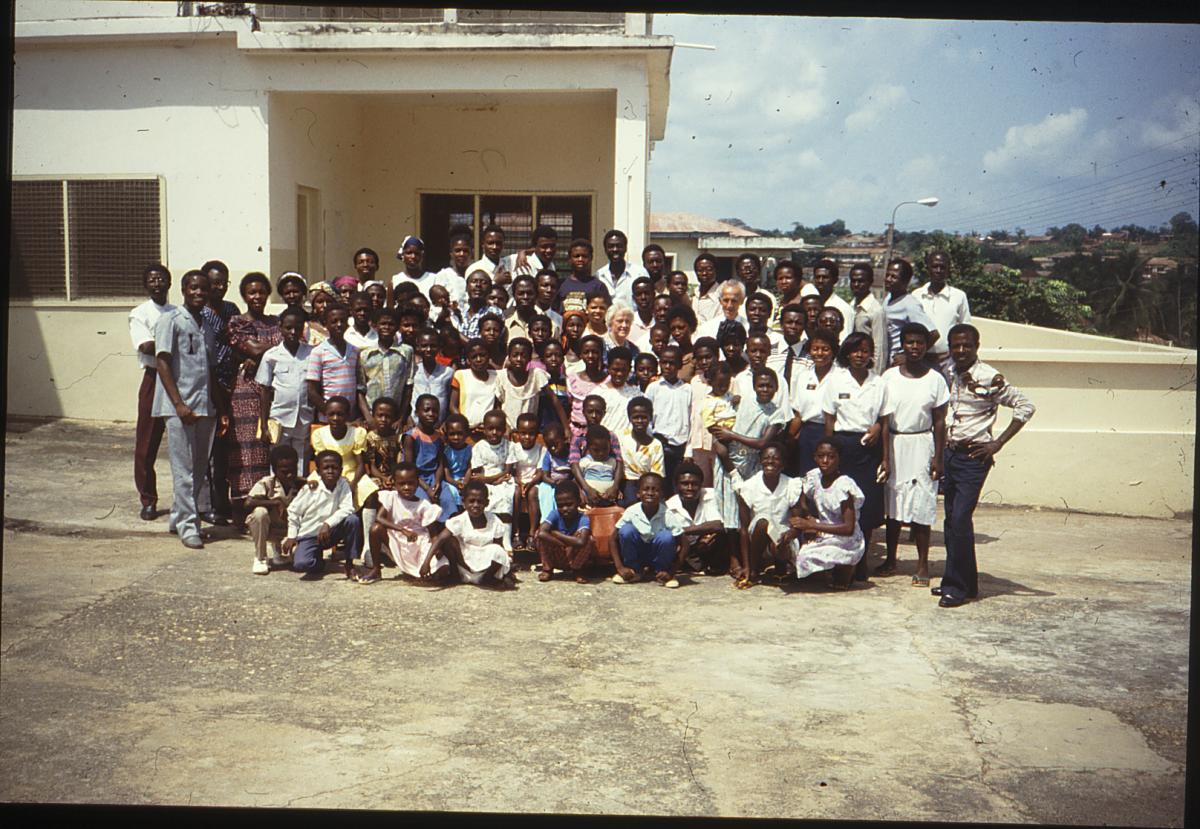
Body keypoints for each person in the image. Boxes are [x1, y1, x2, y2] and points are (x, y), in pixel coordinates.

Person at [933, 323, 1035, 608]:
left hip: (974, 458)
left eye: (966, 345)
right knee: (952, 520)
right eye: (955, 345)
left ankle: (958, 587)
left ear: (977, 346)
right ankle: (962, 582)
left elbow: (1025, 406)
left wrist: (997, 443)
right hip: (952, 454)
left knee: (959, 520)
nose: (961, 350)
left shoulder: (989, 376)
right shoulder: (950, 372)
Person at [154, 269, 227, 548]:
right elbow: (162, 362)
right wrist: (179, 404)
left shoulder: (207, 325)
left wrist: (220, 409)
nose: (199, 293)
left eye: (204, 289)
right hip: (180, 408)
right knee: (183, 469)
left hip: (204, 406)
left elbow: (210, 368)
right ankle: (189, 525)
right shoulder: (170, 320)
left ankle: (178, 516)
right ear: (184, 290)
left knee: (198, 468)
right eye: (193, 288)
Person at [879, 323, 948, 586]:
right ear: (903, 345)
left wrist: (938, 457)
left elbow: (940, 421)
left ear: (926, 345)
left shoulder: (935, 379)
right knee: (893, 504)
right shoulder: (889, 377)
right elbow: (884, 420)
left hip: (922, 443)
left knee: (921, 505)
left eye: (919, 343)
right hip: (895, 443)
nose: (915, 347)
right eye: (910, 342)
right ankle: (891, 559)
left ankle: (921, 565)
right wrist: (885, 457)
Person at [822, 331, 887, 581]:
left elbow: (884, 420)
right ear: (847, 353)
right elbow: (829, 420)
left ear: (871, 353)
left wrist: (885, 457)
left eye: (865, 350)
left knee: (867, 507)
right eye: (855, 350)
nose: (860, 355)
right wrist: (829, 454)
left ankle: (861, 561)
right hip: (843, 446)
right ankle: (840, 561)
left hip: (868, 449)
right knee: (842, 504)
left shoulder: (878, 382)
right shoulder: (836, 381)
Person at [222, 272, 280, 529]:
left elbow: (258, 350)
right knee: (244, 450)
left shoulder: (276, 322)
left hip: (272, 391)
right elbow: (252, 349)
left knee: (267, 446)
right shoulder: (237, 322)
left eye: (261, 292)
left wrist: (260, 352)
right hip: (245, 392)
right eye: (251, 292)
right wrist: (279, 346)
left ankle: (265, 507)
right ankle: (239, 509)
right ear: (244, 296)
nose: (257, 297)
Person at [710, 367, 789, 535]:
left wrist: (732, 435)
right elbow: (721, 422)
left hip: (752, 465)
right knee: (728, 509)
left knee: (746, 510)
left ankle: (749, 554)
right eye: (761, 385)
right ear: (754, 387)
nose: (765, 389)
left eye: (769, 386)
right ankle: (732, 557)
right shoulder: (741, 402)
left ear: (776, 388)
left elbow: (762, 443)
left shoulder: (777, 414)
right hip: (728, 460)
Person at [130, 263, 175, 520]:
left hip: (179, 379)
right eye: (152, 280)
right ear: (145, 285)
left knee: (183, 444)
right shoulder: (140, 313)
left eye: (161, 279)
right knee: (146, 446)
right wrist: (173, 343)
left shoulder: (177, 312)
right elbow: (146, 346)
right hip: (154, 378)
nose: (157, 283)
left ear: (169, 283)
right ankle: (148, 500)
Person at [792, 438, 866, 589]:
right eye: (821, 456)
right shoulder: (815, 477)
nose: (825, 461)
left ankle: (846, 567)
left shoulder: (843, 485)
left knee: (834, 580)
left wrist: (813, 525)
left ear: (839, 459)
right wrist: (808, 516)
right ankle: (831, 570)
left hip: (845, 538)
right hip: (824, 531)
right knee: (801, 558)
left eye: (831, 457)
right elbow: (800, 494)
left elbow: (848, 528)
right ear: (815, 457)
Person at [361, 462, 446, 584]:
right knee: (375, 529)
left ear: (417, 483)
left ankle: (419, 571)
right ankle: (376, 569)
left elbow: (433, 534)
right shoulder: (391, 497)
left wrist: (436, 551)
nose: (406, 487)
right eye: (402, 484)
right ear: (394, 484)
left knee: (442, 569)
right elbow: (379, 518)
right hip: (397, 541)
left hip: (418, 544)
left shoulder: (424, 505)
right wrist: (401, 530)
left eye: (410, 483)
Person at [283, 449, 362, 580]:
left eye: (334, 468)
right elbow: (293, 511)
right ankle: (318, 561)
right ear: (318, 471)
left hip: (331, 533)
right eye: (326, 468)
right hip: (310, 534)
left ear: (341, 470)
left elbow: (347, 508)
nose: (330, 471)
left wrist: (327, 524)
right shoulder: (311, 488)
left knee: (352, 520)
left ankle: (349, 564)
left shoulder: (343, 485)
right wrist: (291, 536)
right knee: (301, 564)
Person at [201, 260, 240, 526]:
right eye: (214, 282)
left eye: (223, 282)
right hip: (207, 386)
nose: (219, 287)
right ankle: (207, 505)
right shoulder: (199, 312)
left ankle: (223, 500)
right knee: (207, 448)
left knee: (225, 449)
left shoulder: (231, 309)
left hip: (232, 386)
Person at [735, 442, 806, 587]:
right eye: (766, 458)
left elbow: (798, 522)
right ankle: (754, 569)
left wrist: (791, 534)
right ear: (760, 461)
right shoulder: (748, 487)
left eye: (776, 459)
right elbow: (743, 529)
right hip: (757, 537)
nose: (770, 462)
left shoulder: (792, 485)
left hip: (782, 538)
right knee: (763, 522)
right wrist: (746, 566)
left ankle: (781, 566)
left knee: (780, 543)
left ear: (783, 464)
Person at [256, 306, 314, 468]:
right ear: (280, 328)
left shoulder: (312, 353)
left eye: (297, 328)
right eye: (288, 328)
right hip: (279, 417)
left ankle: (299, 492)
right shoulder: (271, 356)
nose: (293, 332)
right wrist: (264, 424)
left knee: (301, 460)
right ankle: (279, 493)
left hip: (304, 417)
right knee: (279, 461)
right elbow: (265, 391)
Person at [432, 480, 516, 588]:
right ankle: (455, 575)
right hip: (463, 564)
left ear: (486, 503)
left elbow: (499, 547)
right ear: (464, 502)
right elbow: (440, 539)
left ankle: (487, 578)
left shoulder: (494, 521)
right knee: (449, 540)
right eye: (471, 501)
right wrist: (426, 563)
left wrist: (505, 568)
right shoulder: (460, 520)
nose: (475, 505)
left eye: (480, 502)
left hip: (484, 565)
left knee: (498, 551)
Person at [610, 473, 683, 588]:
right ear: (638, 493)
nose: (650, 493)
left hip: (657, 553)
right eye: (646, 489)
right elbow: (612, 540)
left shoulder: (667, 514)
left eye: (655, 490)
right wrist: (620, 567)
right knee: (626, 530)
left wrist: (672, 571)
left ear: (662, 494)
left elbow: (685, 544)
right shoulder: (632, 511)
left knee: (666, 536)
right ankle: (633, 571)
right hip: (638, 552)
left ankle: (663, 574)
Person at [787, 328, 840, 476]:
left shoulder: (841, 376)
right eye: (815, 349)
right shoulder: (803, 377)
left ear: (833, 351)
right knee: (808, 477)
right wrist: (789, 438)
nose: (820, 353)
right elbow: (798, 413)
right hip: (808, 434)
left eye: (825, 349)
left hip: (833, 432)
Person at [244, 444, 303, 575]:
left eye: (293, 470)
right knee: (260, 512)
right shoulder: (267, 483)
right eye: (284, 471)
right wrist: (274, 502)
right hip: (270, 528)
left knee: (301, 562)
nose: (289, 475)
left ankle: (280, 551)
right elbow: (248, 502)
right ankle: (260, 558)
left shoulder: (301, 483)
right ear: (275, 470)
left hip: (291, 531)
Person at [913, 250, 972, 376]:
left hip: (948, 361)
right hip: (921, 361)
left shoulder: (958, 296)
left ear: (948, 270)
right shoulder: (916, 295)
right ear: (928, 268)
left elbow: (966, 329)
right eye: (935, 266)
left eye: (942, 267)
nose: (938, 270)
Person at [356, 305, 414, 428]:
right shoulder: (365, 355)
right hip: (373, 416)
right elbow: (360, 390)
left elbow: (408, 388)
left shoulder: (406, 352)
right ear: (375, 326)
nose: (386, 327)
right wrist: (369, 418)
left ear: (397, 327)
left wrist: (401, 418)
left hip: (395, 418)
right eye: (383, 324)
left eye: (391, 324)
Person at [666, 461, 727, 575]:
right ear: (676, 486)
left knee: (723, 535)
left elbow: (718, 525)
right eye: (685, 483)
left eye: (695, 484)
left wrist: (684, 530)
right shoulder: (670, 506)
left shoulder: (711, 495)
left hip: (708, 544)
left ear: (701, 484)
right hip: (687, 547)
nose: (690, 488)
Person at [645, 346, 692, 490]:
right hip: (660, 445)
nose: (667, 366)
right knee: (660, 486)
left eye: (672, 363)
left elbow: (691, 421)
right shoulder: (653, 388)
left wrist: (688, 451)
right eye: (664, 362)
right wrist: (651, 442)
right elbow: (647, 418)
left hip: (680, 447)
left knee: (677, 488)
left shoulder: (687, 389)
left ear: (679, 365)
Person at [468, 409, 517, 548]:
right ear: (484, 429)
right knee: (483, 498)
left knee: (505, 497)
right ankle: (487, 540)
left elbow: (507, 471)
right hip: (486, 482)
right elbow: (477, 476)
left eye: (498, 429)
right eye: (490, 429)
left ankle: (506, 542)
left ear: (503, 430)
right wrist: (491, 481)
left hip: (504, 481)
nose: (494, 433)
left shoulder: (509, 446)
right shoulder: (479, 447)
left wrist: (493, 480)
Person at [305, 302, 358, 426]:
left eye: (342, 321)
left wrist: (349, 416)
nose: (339, 325)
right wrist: (330, 414)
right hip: (328, 419)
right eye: (334, 321)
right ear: (326, 324)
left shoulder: (354, 351)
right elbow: (312, 391)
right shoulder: (318, 352)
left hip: (350, 418)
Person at [533, 480, 594, 583]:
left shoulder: (583, 518)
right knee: (538, 534)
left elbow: (581, 542)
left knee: (590, 539)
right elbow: (542, 533)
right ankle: (548, 569)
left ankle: (577, 570)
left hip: (573, 556)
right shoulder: (555, 514)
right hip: (557, 554)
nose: (565, 509)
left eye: (569, 504)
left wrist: (556, 534)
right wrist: (564, 544)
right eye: (560, 505)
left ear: (578, 501)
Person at [883, 258, 939, 368]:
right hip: (886, 361)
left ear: (905, 282)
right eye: (887, 275)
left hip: (898, 364)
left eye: (894, 277)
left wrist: (907, 356)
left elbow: (933, 333)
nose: (888, 279)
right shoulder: (888, 298)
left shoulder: (910, 304)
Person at [495, 337, 556, 431]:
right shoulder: (501, 377)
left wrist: (566, 428)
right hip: (508, 431)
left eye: (523, 356)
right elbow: (498, 406)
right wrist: (505, 426)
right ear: (509, 357)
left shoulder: (536, 375)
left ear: (529, 358)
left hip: (529, 432)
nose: (519, 359)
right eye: (515, 355)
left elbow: (554, 399)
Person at [510, 412, 548, 551]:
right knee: (515, 493)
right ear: (517, 433)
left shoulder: (541, 449)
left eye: (531, 433)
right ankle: (516, 533)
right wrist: (519, 483)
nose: (527, 437)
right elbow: (512, 470)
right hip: (516, 481)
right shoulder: (513, 448)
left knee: (533, 494)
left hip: (534, 482)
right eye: (523, 433)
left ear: (537, 434)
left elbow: (540, 472)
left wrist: (530, 483)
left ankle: (532, 534)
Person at [617, 396, 665, 505]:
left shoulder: (656, 445)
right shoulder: (620, 438)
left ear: (650, 418)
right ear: (629, 418)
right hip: (625, 482)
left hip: (647, 485)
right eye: (636, 417)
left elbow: (657, 474)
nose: (640, 421)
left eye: (644, 417)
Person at [685, 337, 719, 485]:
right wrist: (688, 450)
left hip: (718, 446)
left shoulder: (727, 381)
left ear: (717, 357)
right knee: (703, 488)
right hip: (698, 446)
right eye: (700, 358)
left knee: (719, 486)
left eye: (708, 357)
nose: (704, 362)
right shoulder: (694, 382)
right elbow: (691, 417)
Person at [449, 339, 499, 437]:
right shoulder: (460, 375)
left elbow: (497, 406)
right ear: (468, 360)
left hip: (489, 432)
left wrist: (489, 425)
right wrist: (464, 424)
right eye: (474, 357)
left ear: (489, 357)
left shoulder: (496, 376)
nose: (479, 359)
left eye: (482, 355)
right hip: (465, 432)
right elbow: (453, 406)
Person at [565, 335, 609, 441]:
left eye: (595, 352)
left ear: (601, 354)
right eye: (586, 352)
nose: (590, 355)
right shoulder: (572, 379)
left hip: (599, 435)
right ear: (580, 355)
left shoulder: (608, 381)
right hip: (575, 432)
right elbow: (569, 406)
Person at [848, 264, 889, 376]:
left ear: (870, 282)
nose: (856, 285)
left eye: (861, 281)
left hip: (868, 370)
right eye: (853, 281)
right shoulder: (850, 307)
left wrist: (876, 375)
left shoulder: (876, 311)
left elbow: (879, 347)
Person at [411, 326, 454, 427]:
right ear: (418, 347)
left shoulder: (448, 372)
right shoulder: (413, 371)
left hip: (438, 427)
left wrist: (445, 422)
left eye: (433, 346)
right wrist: (408, 419)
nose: (428, 349)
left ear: (439, 347)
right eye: (424, 346)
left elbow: (450, 402)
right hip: (415, 425)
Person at [557, 238, 611, 312]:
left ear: (591, 258)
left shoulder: (598, 286)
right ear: (569, 259)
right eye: (576, 256)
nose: (580, 259)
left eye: (584, 256)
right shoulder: (561, 285)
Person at [596, 346, 639, 436]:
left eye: (624, 370)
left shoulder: (636, 395)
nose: (619, 374)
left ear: (630, 369)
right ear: (608, 368)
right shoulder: (598, 393)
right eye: (615, 370)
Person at [439, 413, 474, 521]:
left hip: (466, 478)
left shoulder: (470, 449)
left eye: (460, 434)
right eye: (452, 434)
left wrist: (465, 482)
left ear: (466, 433)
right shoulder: (446, 451)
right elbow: (446, 474)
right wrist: (456, 484)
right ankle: (453, 518)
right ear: (447, 435)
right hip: (451, 481)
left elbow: (469, 467)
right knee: (451, 491)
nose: (456, 437)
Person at [536, 421, 574, 519]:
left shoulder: (571, 454)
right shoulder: (548, 455)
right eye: (549, 446)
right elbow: (544, 476)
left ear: (564, 440)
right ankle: (547, 519)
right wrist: (554, 482)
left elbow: (575, 474)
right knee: (544, 489)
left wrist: (566, 482)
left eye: (556, 444)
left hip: (567, 484)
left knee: (563, 494)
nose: (553, 448)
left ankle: (561, 520)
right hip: (552, 482)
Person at [505, 273, 559, 342]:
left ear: (536, 294)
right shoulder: (505, 326)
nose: (525, 297)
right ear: (514, 295)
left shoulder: (551, 327)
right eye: (521, 293)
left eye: (529, 293)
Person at [810, 259, 853, 343]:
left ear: (835, 280)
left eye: (825, 277)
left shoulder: (843, 308)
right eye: (817, 277)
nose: (820, 281)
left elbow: (844, 341)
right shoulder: (811, 305)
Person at [390, 235, 439, 305]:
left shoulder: (433, 279)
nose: (413, 256)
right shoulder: (395, 280)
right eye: (409, 253)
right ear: (402, 255)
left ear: (422, 256)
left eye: (417, 253)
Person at [459, 269, 505, 343]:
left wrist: (457, 334)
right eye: (474, 281)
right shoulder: (460, 312)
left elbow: (484, 346)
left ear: (490, 290)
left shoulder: (494, 312)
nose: (478, 285)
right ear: (466, 288)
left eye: (483, 282)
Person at [595, 228, 637, 307]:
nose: (615, 249)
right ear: (605, 250)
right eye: (611, 246)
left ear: (625, 248)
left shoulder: (639, 273)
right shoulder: (598, 276)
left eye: (619, 246)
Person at [433, 225, 472, 308]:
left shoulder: (476, 273)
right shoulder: (443, 276)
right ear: (451, 253)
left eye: (465, 251)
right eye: (458, 250)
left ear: (471, 253)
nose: (462, 254)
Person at [537, 339, 572, 434]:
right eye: (549, 356)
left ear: (563, 359)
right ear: (542, 360)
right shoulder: (539, 381)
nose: (553, 359)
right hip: (542, 432)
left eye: (558, 355)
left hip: (562, 432)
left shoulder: (567, 381)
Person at [692, 253, 722, 325]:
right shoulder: (692, 295)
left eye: (709, 269)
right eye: (700, 270)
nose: (704, 273)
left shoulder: (722, 296)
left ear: (716, 271)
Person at [629, 276, 657, 350]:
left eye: (647, 293)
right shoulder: (628, 324)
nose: (643, 297)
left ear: (654, 295)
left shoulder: (660, 322)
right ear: (633, 298)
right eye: (639, 294)